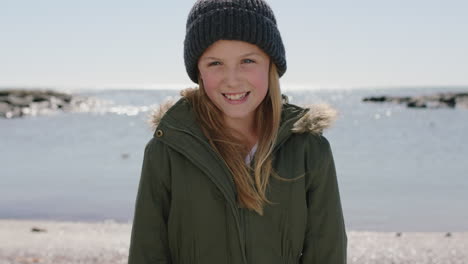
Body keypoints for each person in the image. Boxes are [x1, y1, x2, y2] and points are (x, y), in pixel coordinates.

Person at [128, 0, 347, 263]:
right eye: (215, 63)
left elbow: (327, 252)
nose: (232, 79)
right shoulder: (167, 151)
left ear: (271, 65)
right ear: (198, 70)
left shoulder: (309, 150)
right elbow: (147, 252)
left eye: (247, 61)